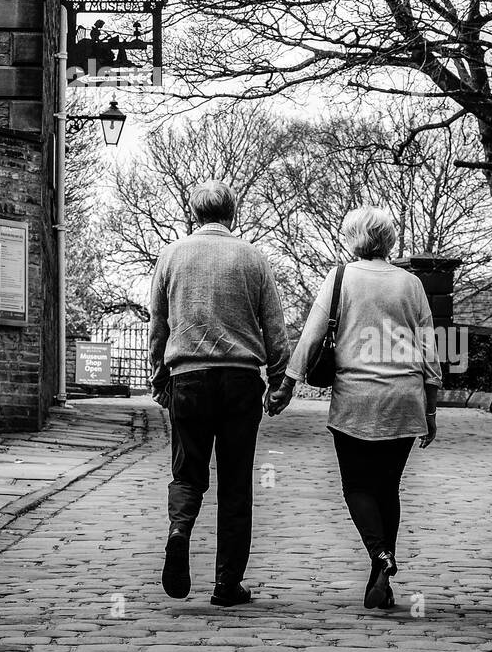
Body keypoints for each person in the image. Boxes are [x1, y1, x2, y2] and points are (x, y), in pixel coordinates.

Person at [268, 205, 440, 610]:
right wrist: (430, 411)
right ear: (389, 240)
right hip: (403, 399)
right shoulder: (410, 284)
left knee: (357, 487)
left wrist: (287, 384)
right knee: (387, 489)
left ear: (354, 238)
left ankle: (381, 555)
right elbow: (431, 349)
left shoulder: (341, 276)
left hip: (355, 400)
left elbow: (311, 336)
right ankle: (381, 579)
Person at [149, 180, 290, 607]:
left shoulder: (171, 255)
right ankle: (227, 583)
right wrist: (280, 381)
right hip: (240, 381)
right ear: (233, 213)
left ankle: (179, 530)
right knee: (235, 484)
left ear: (195, 214)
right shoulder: (253, 257)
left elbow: (158, 324)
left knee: (187, 473)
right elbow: (275, 328)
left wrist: (159, 375)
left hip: (188, 378)